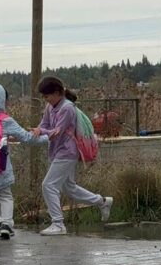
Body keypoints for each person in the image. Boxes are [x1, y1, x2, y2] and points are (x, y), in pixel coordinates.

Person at [32, 76, 112, 236]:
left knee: (48, 185)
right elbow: (44, 124)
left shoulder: (67, 108)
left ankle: (58, 223)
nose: (45, 99)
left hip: (67, 151)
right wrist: (35, 131)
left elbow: (57, 132)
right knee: (69, 188)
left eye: (47, 96)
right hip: (57, 151)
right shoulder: (50, 106)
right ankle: (102, 201)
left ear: (57, 93)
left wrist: (41, 131)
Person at [0, 84, 48, 240]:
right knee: (5, 195)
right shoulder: (6, 120)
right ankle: (6, 224)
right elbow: (27, 138)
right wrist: (48, 138)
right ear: (2, 101)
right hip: (0, 166)